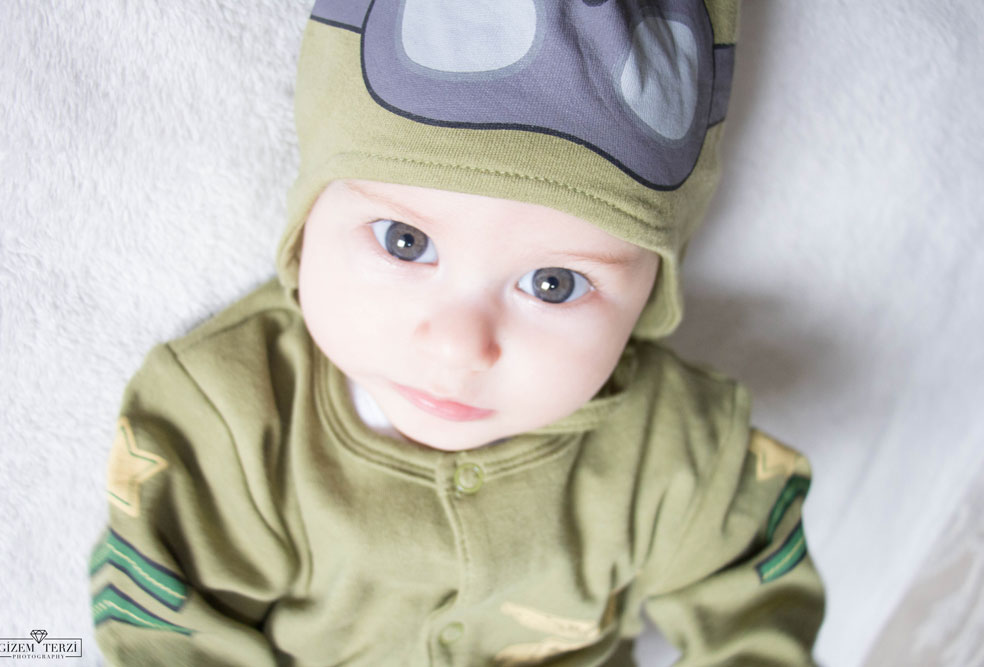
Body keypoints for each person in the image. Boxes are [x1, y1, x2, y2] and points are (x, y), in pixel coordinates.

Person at [89, 1, 825, 664]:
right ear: (308, 221)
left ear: (648, 299)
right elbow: (165, 630)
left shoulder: (676, 453)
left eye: (554, 284)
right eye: (404, 242)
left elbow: (757, 609)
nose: (458, 347)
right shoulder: (231, 415)